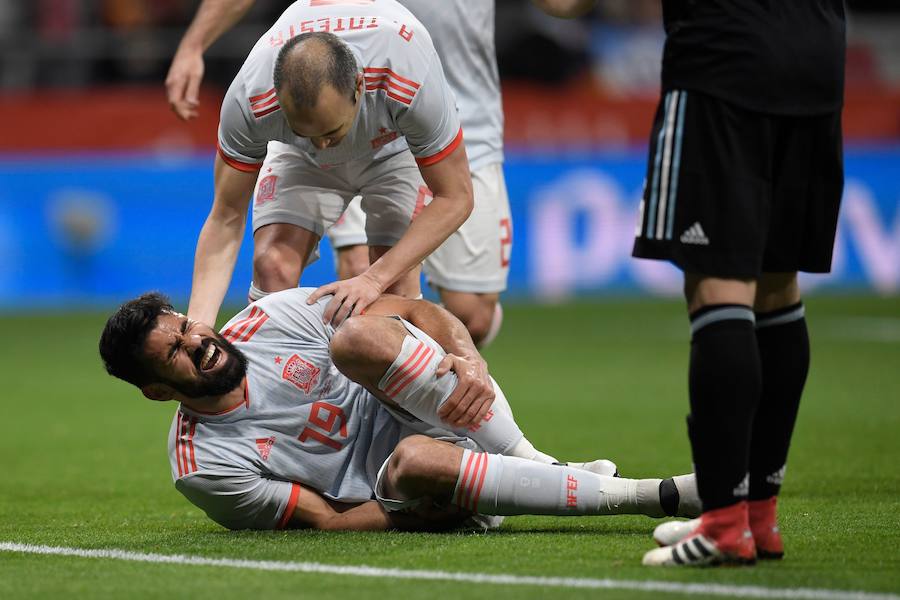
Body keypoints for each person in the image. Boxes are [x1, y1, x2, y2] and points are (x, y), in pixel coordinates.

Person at [536, 0, 846, 567]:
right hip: (819, 58)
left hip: (724, 62)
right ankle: (756, 515)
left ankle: (726, 524)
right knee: (778, 288)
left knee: (718, 287)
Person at [99, 288, 700, 531]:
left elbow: (413, 310)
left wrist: (469, 358)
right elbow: (329, 522)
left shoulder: (270, 317)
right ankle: (654, 495)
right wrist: (416, 512)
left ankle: (534, 462)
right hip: (401, 485)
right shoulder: (202, 466)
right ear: (157, 391)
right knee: (413, 460)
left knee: (357, 336)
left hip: (443, 405)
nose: (198, 343)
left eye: (186, 327)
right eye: (174, 354)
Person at [167, 0, 512, 347]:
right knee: (273, 265)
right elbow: (226, 217)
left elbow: (456, 196)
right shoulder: (250, 98)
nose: (324, 146)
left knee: (394, 290)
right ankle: (286, 395)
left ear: (359, 86)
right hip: (299, 157)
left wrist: (373, 280)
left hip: (392, 145)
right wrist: (198, 328)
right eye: (308, 131)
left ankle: (388, 391)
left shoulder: (407, 72)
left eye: (330, 131)